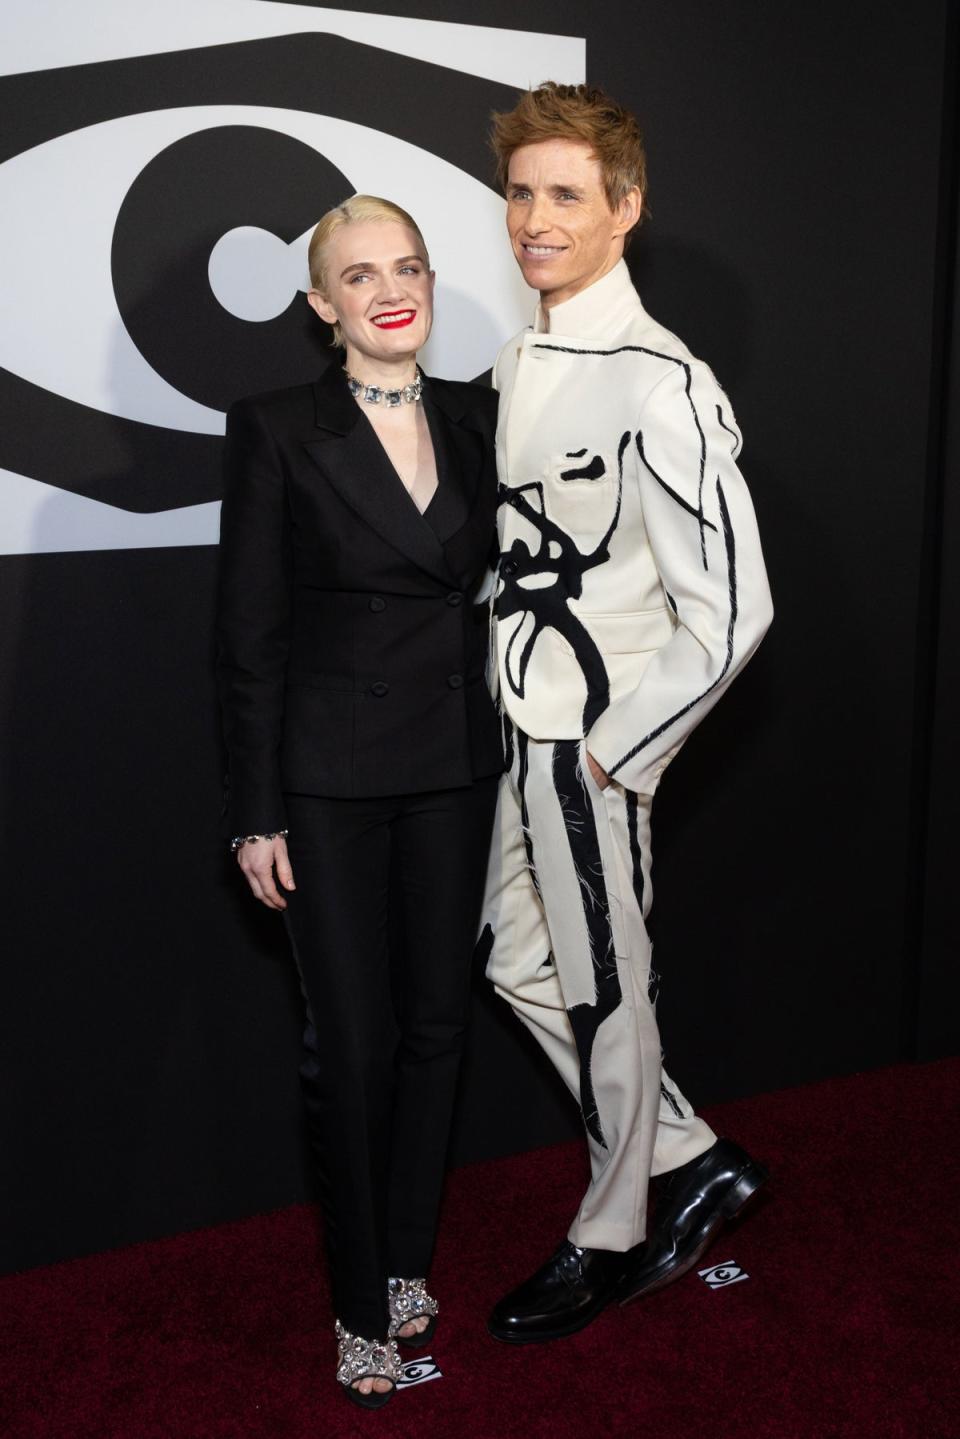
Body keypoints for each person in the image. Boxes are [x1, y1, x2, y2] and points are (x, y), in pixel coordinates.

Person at [478, 83, 774, 1343]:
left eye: (564, 195)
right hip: (522, 727)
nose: (535, 220)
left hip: (593, 741)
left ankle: (609, 1235)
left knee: (608, 991)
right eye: (521, 192)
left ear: (625, 209)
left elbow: (738, 607)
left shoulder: (663, 381)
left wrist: (617, 753)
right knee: (514, 958)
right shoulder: (518, 354)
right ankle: (694, 1153)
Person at [215, 195, 502, 1407]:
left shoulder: (484, 414)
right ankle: (355, 1309)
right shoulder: (279, 427)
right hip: (329, 782)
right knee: (353, 1043)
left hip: (454, 760)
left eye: (410, 267)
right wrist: (255, 808)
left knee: (440, 1025)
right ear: (322, 304)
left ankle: (403, 1263)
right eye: (360, 274)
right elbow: (249, 633)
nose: (393, 289)